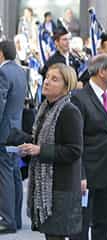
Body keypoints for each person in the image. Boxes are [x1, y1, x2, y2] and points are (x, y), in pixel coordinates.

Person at [15, 63, 83, 240]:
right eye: (47, 78)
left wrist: (40, 150)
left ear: (66, 87)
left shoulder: (69, 111)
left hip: (61, 187)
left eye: (54, 79)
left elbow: (74, 151)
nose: (47, 82)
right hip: (47, 185)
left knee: (56, 236)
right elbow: (39, 140)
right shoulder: (45, 108)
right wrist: (28, 146)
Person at [71, 54, 107, 240]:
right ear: (101, 72)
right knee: (81, 225)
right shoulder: (79, 98)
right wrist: (80, 174)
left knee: (104, 224)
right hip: (88, 172)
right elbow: (75, 139)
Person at [0, 40, 27, 234]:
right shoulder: (19, 71)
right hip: (15, 130)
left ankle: (7, 219)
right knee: (14, 173)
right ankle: (15, 218)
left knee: (4, 175)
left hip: (3, 132)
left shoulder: (3, 72)